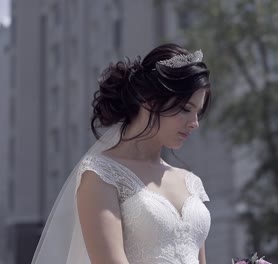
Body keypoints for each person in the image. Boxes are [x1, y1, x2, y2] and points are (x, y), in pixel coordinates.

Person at [32, 43, 212, 264]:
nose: (194, 123)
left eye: (198, 112)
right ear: (149, 100)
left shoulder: (190, 181)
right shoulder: (101, 175)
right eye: (186, 109)